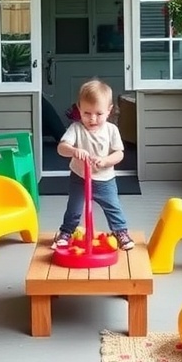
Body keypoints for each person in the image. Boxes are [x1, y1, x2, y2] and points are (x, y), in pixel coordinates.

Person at [52, 79, 134, 251]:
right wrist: (74, 151)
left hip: (105, 179)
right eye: (87, 113)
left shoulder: (111, 130)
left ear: (109, 111)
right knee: (74, 207)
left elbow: (119, 153)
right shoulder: (76, 129)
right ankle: (66, 232)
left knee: (113, 206)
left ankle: (120, 232)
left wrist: (105, 161)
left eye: (98, 113)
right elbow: (61, 148)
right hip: (79, 177)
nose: (92, 118)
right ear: (79, 109)